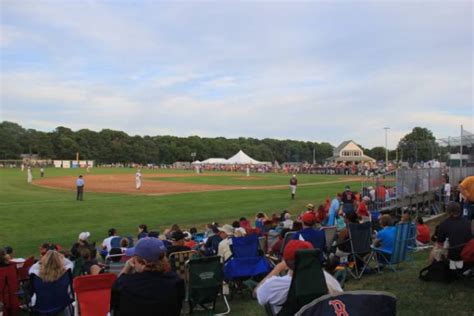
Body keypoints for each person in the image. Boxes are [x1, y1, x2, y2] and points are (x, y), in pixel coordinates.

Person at [255, 240, 343, 315]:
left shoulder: (275, 284)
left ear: (286, 262)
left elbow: (256, 293)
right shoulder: (327, 280)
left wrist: (277, 269)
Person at [111, 238, 185, 316]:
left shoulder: (124, 284)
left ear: (144, 262)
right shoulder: (175, 280)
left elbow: (114, 299)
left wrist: (127, 267)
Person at [431, 202, 472, 270]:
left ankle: (432, 270)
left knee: (435, 248)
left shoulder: (444, 224)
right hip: (469, 254)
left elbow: (440, 243)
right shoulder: (468, 223)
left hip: (453, 256)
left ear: (450, 212)